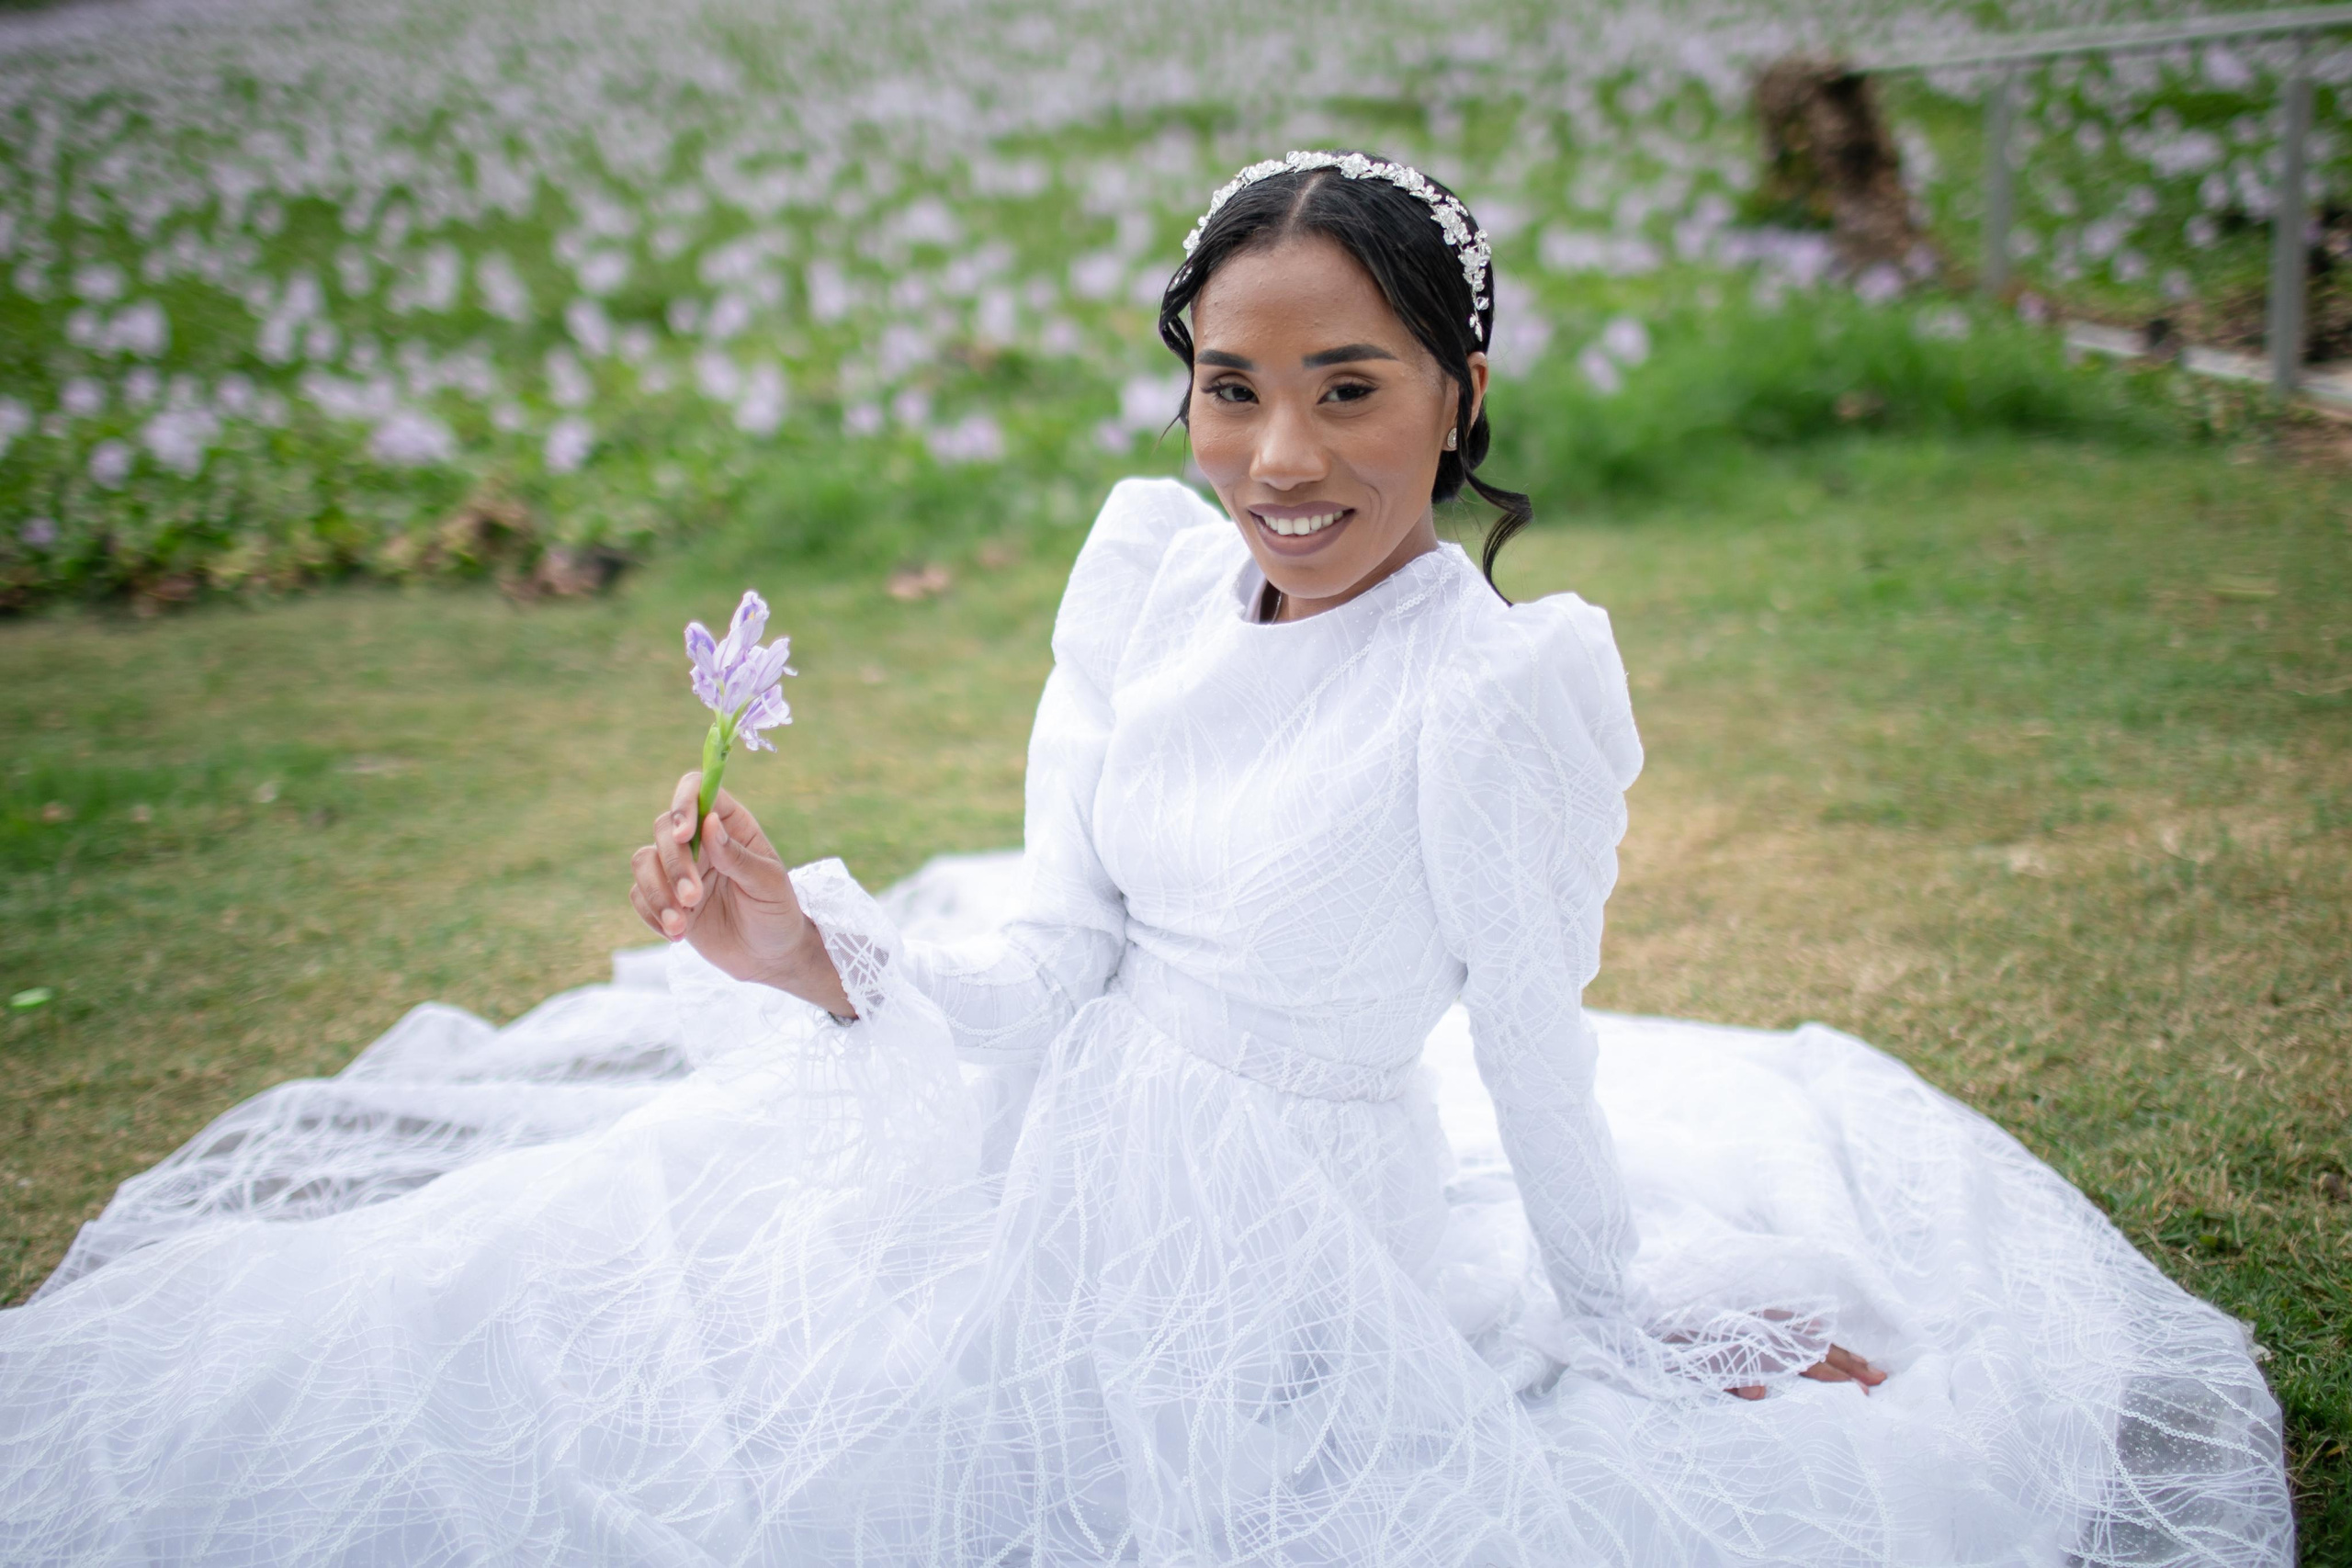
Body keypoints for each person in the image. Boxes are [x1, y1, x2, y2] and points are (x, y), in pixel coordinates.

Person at [0, 152, 2290, 1566]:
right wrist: (805, 951)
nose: (1277, 453)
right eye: (1229, 384)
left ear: (1458, 397)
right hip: (1040, 1129)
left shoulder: (1485, 690)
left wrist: (1613, 1319)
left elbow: (1529, 1039)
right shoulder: (1138, 580)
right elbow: (1054, 938)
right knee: (588, 1359)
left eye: (1348, 386)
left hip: (1296, 1220)